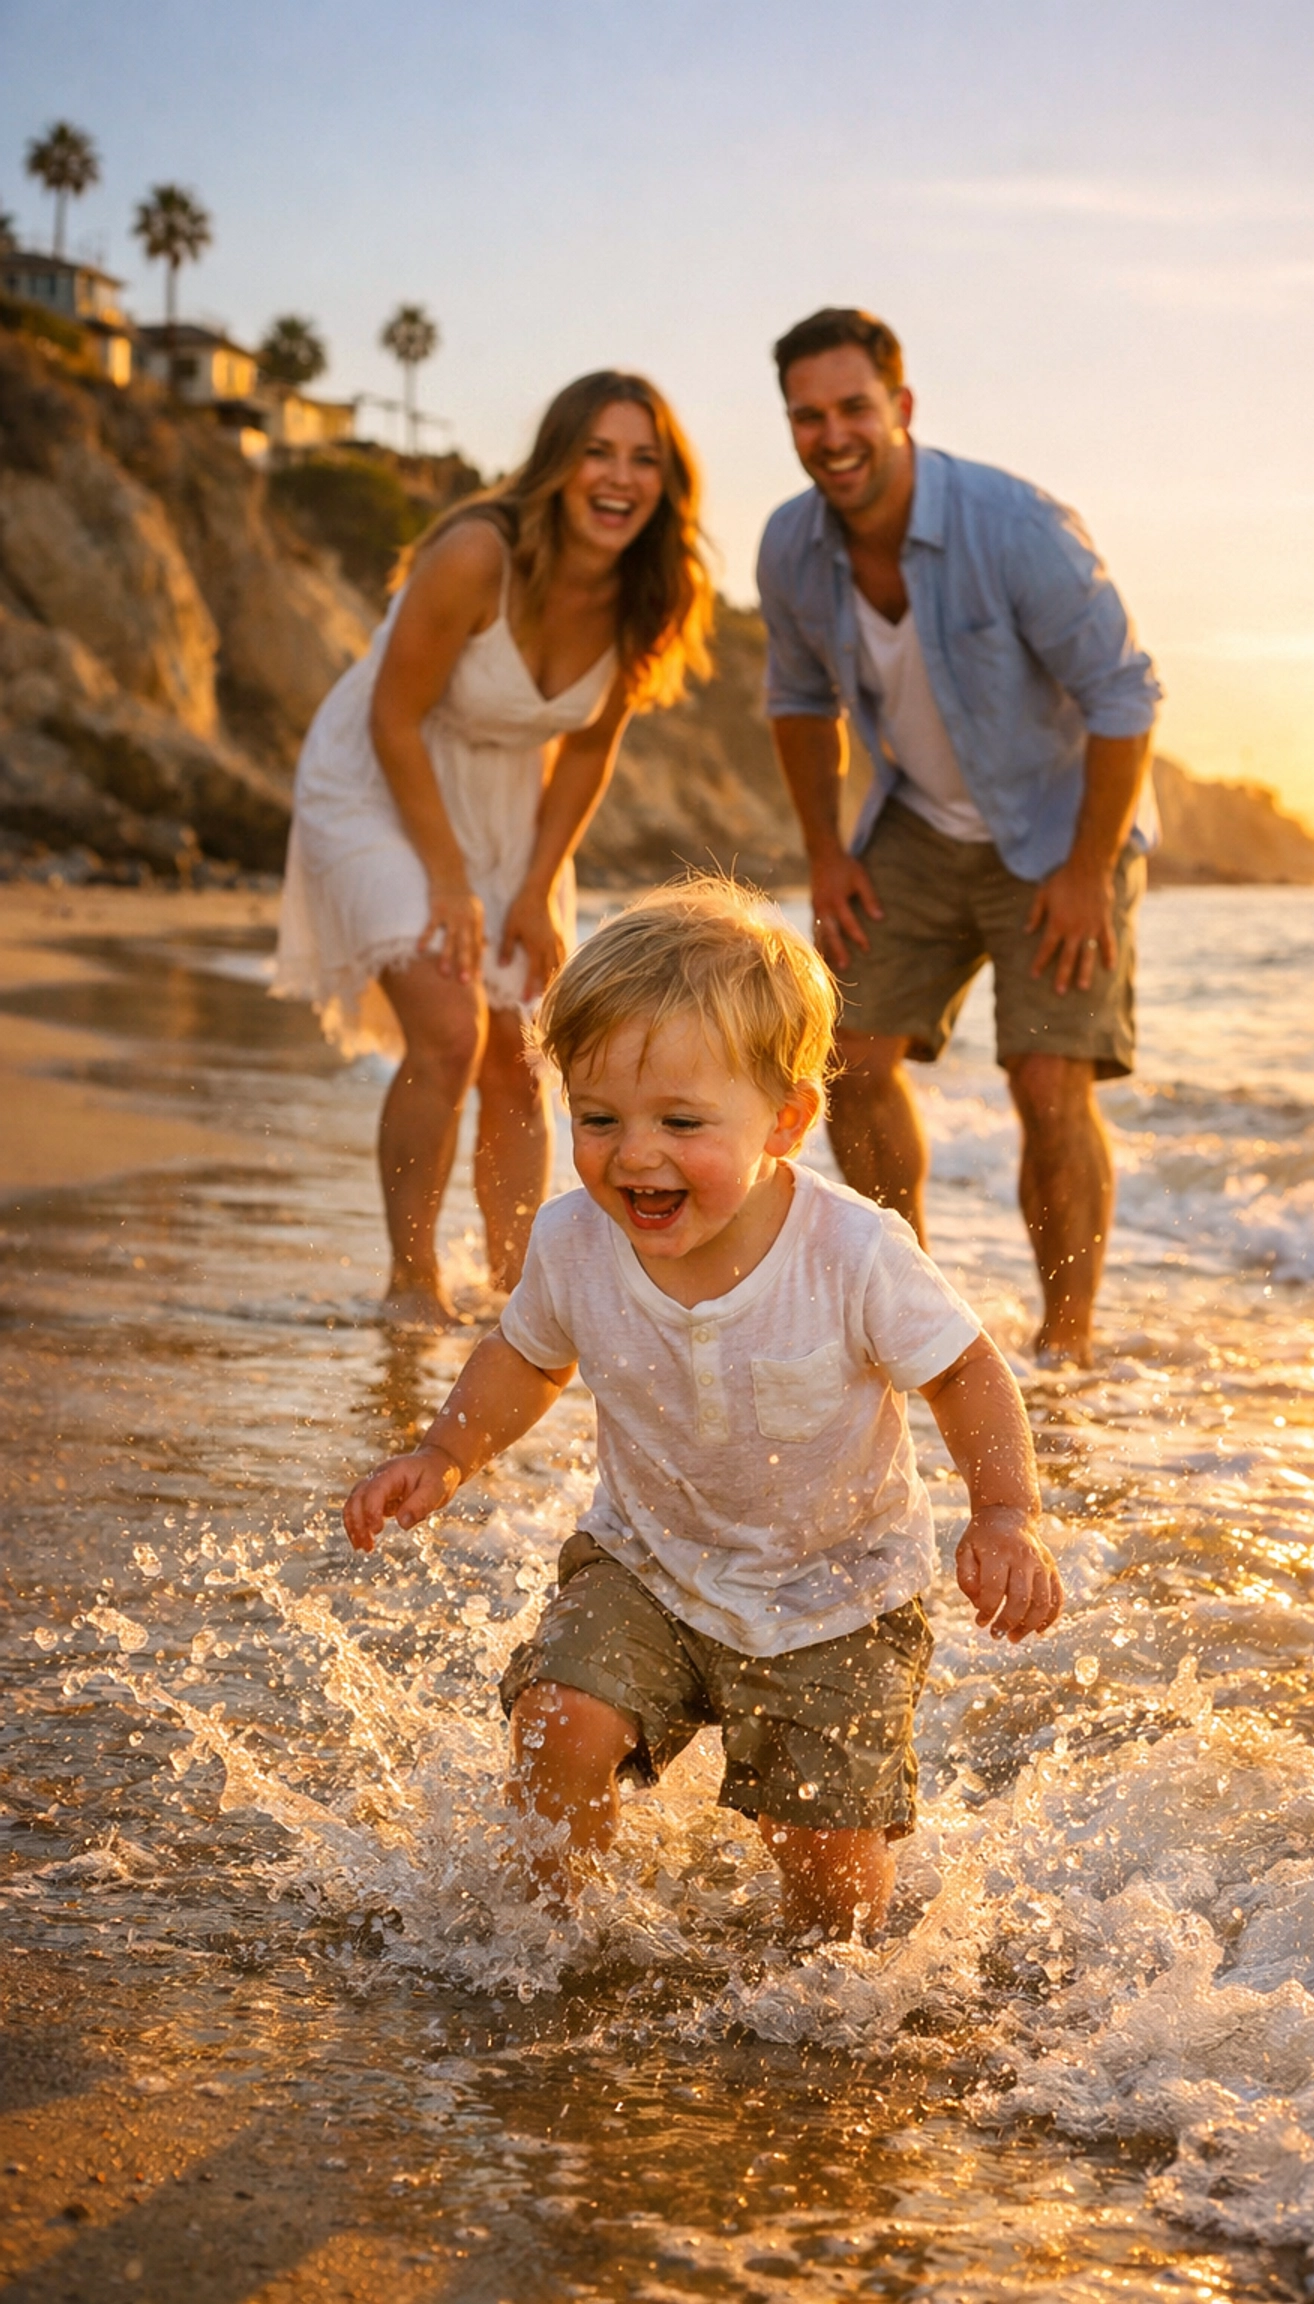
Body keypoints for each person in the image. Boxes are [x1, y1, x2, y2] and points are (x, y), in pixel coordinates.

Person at [343, 880, 1062, 1939]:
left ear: (785, 1120)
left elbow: (965, 1372)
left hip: (838, 1599)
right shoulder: (575, 1243)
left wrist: (1005, 1512)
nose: (635, 1154)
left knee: (824, 1869)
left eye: (681, 1121)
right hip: (645, 1564)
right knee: (558, 1720)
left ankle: (838, 2006)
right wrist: (445, 1452)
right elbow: (526, 1358)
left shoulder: (853, 1254)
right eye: (598, 1119)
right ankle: (549, 1941)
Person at [757, 308, 1162, 1368]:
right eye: (808, 416)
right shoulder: (791, 548)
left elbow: (1125, 697)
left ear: (902, 408)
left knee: (1045, 1080)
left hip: (1064, 829)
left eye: (854, 408)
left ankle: (1067, 1347)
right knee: (842, 1057)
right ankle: (919, 1320)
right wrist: (826, 855)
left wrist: (1084, 872)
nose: (833, 435)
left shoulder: (1014, 526)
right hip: (919, 826)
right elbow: (799, 701)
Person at [274, 371, 712, 1329]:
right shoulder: (478, 553)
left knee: (520, 1051)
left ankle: (518, 1295)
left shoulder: (656, 590)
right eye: (598, 451)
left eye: (644, 459)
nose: (619, 477)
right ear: (558, 463)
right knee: (450, 1029)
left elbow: (590, 746)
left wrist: (535, 882)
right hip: (380, 783)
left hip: (510, 806)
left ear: (667, 483)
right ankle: (412, 1283)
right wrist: (447, 880)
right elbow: (393, 716)